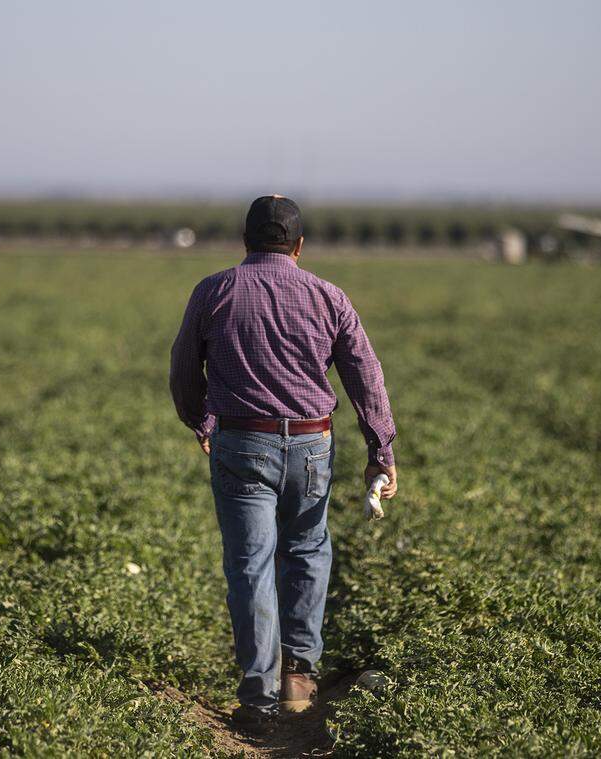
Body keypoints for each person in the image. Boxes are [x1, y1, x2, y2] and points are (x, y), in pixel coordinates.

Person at [169, 195, 398, 733]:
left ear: (245, 241)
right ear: (298, 245)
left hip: (242, 443)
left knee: (251, 563)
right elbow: (366, 375)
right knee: (308, 550)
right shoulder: (328, 296)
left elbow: (183, 371)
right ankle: (300, 677)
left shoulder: (214, 291)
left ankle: (258, 700)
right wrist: (380, 451)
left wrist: (202, 421)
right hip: (313, 445)